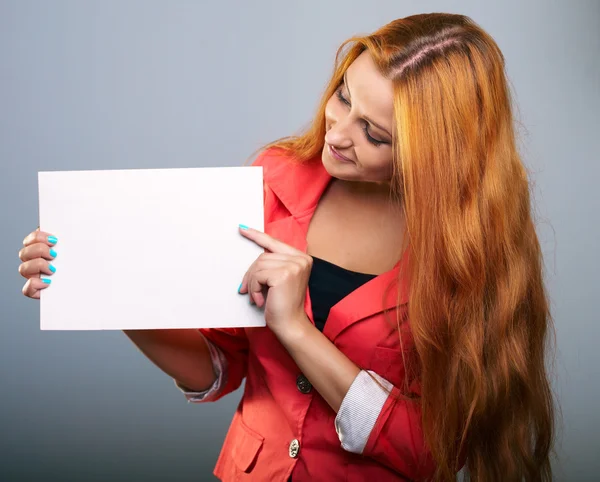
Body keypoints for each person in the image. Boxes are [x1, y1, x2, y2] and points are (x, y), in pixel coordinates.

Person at [17, 12, 555, 482]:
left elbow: (434, 453)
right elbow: (216, 367)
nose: (337, 133)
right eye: (344, 96)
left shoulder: (471, 253)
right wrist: (112, 291)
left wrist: (296, 330)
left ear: (436, 152)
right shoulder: (274, 178)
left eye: (374, 134)